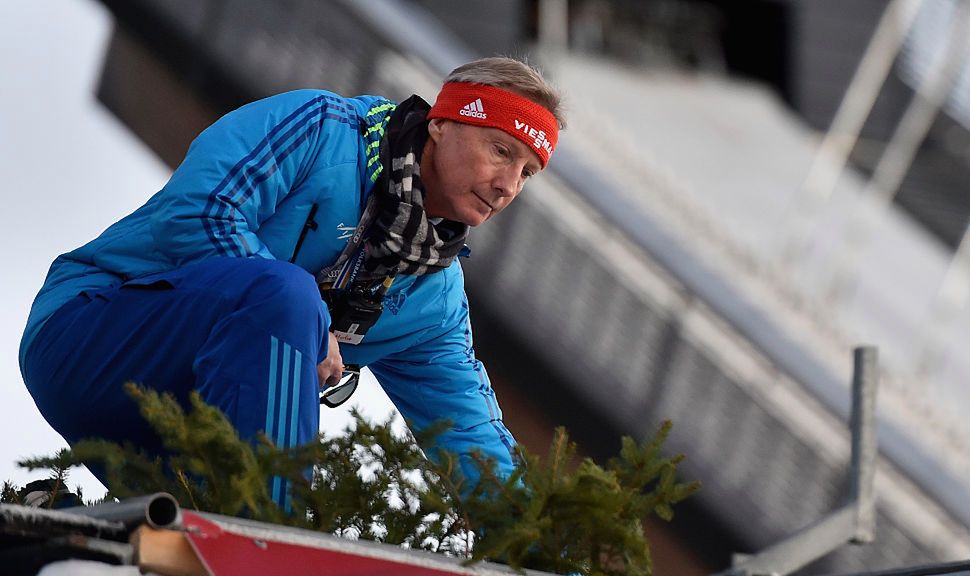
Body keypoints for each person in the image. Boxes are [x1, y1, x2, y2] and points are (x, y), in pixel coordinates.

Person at [19, 56, 565, 508]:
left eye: (527, 173)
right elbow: (197, 211)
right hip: (89, 335)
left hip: (184, 431)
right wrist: (312, 323)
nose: (508, 186)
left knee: (192, 546)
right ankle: (275, 535)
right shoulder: (323, 130)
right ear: (442, 123)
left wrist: (552, 557)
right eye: (501, 151)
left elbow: (470, 438)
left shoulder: (434, 296)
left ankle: (53, 519)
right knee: (285, 296)